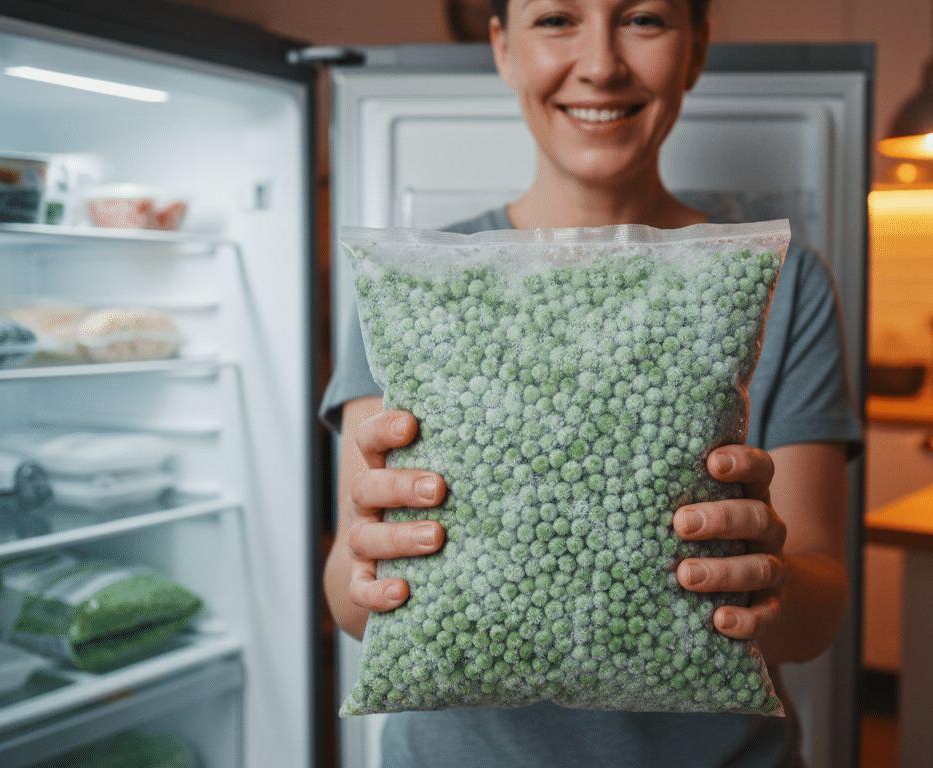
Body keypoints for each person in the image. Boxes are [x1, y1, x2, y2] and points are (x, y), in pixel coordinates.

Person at [320, 0, 863, 765]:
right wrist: (370, 561)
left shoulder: (775, 281)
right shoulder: (421, 285)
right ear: (503, 47)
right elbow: (349, 600)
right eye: (555, 19)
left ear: (696, 47)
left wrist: (768, 580)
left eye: (644, 19)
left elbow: (816, 617)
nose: (602, 64)